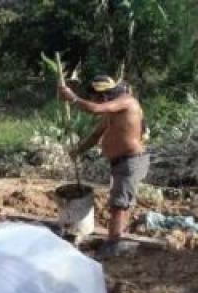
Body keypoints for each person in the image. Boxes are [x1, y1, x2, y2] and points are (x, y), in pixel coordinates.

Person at [59, 75, 149, 256]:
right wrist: (78, 150)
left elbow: (96, 109)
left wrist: (73, 99)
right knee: (120, 202)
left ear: (105, 95)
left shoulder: (126, 102)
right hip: (121, 162)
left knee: (119, 204)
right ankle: (116, 239)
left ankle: (113, 244)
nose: (96, 101)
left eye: (97, 98)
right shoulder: (112, 112)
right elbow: (95, 136)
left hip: (131, 161)